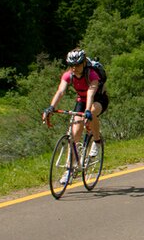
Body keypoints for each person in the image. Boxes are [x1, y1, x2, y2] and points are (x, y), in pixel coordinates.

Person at [42, 49, 109, 178]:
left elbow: (91, 93)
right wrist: (51, 107)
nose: (74, 68)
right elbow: (61, 91)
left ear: (84, 63)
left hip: (98, 99)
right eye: (71, 65)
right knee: (74, 133)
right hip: (81, 101)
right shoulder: (68, 75)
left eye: (77, 65)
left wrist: (88, 111)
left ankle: (96, 141)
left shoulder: (92, 75)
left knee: (93, 111)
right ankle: (69, 168)